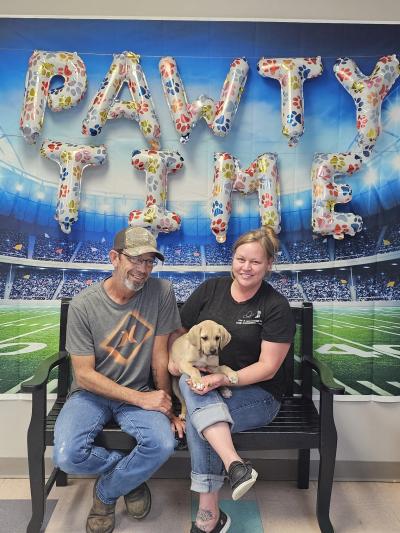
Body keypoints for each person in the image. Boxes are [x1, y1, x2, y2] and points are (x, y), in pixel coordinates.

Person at [53, 226, 184, 533]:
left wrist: (166, 405)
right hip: (91, 394)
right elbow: (84, 375)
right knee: (66, 456)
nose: (143, 269)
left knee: (163, 444)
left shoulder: (161, 291)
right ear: (114, 257)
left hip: (139, 389)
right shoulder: (84, 304)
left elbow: (160, 355)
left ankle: (106, 493)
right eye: (136, 259)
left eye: (150, 261)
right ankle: (129, 477)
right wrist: (142, 399)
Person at [169, 226, 296, 533]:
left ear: (268, 264)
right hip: (210, 388)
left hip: (259, 394)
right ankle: (235, 467)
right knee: (200, 399)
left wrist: (220, 381)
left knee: (205, 420)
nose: (246, 267)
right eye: (241, 259)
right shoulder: (210, 290)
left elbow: (267, 368)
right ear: (233, 258)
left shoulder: (275, 307)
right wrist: (175, 360)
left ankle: (209, 516)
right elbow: (178, 333)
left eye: (255, 262)